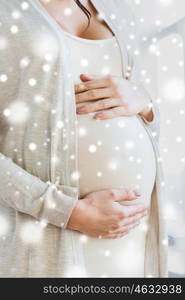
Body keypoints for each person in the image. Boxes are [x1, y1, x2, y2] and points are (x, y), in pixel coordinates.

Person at [0, 0, 167, 277]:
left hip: (132, 240)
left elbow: (148, 123)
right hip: (48, 239)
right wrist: (67, 211)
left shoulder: (118, 8)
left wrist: (145, 103)